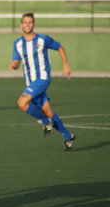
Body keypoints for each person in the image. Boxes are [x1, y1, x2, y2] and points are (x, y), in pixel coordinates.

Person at [8, 12, 76, 151]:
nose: (27, 25)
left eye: (30, 22)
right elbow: (16, 62)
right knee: (47, 111)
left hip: (43, 79)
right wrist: (14, 65)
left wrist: (65, 65)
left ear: (34, 24)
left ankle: (45, 122)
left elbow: (60, 47)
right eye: (25, 22)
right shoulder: (18, 43)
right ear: (21, 25)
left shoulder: (43, 40)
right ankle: (68, 136)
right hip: (30, 82)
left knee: (22, 103)